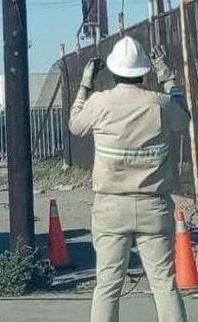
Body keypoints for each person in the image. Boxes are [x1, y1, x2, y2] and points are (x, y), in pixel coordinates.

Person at [69, 36, 190, 322]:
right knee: (164, 285)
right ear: (144, 72)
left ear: (112, 70)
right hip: (153, 206)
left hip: (111, 206)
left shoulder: (100, 103)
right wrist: (168, 77)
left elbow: (75, 124)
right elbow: (183, 118)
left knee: (108, 287)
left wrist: (85, 84)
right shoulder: (160, 104)